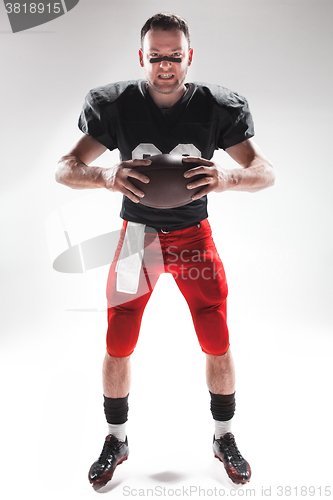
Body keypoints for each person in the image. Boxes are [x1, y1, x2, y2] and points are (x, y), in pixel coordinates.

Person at [56, 13, 275, 488]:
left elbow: (265, 171)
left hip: (193, 236)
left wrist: (228, 177)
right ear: (142, 57)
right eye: (156, 56)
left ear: (188, 57)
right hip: (139, 238)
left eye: (174, 56)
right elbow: (65, 167)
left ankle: (224, 436)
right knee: (120, 337)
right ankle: (117, 439)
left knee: (215, 335)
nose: (165, 66)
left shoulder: (217, 107)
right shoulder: (114, 105)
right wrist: (103, 176)